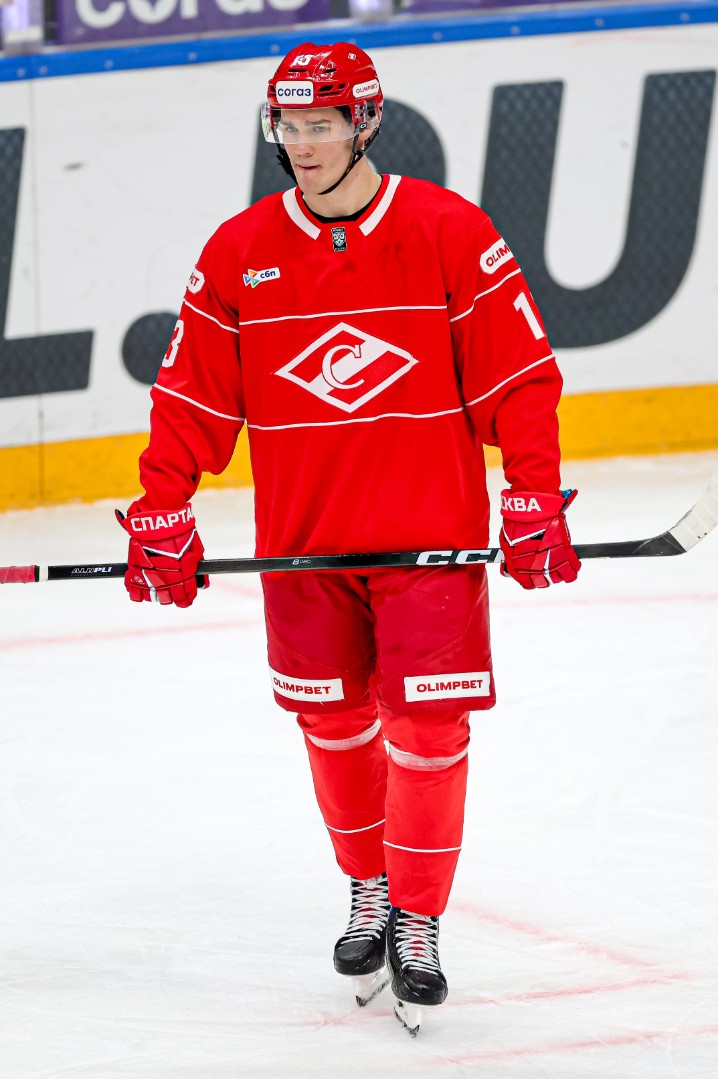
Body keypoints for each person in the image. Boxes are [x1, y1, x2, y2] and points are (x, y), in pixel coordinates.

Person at [117, 42, 580, 1035]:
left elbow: (518, 374)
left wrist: (533, 492)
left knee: (428, 730)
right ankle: (368, 885)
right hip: (304, 547)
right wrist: (163, 505)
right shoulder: (240, 251)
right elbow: (191, 395)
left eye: (320, 124)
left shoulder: (448, 230)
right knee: (331, 724)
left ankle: (417, 915)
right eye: (287, 125)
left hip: (429, 543)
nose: (302, 143)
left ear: (365, 122)